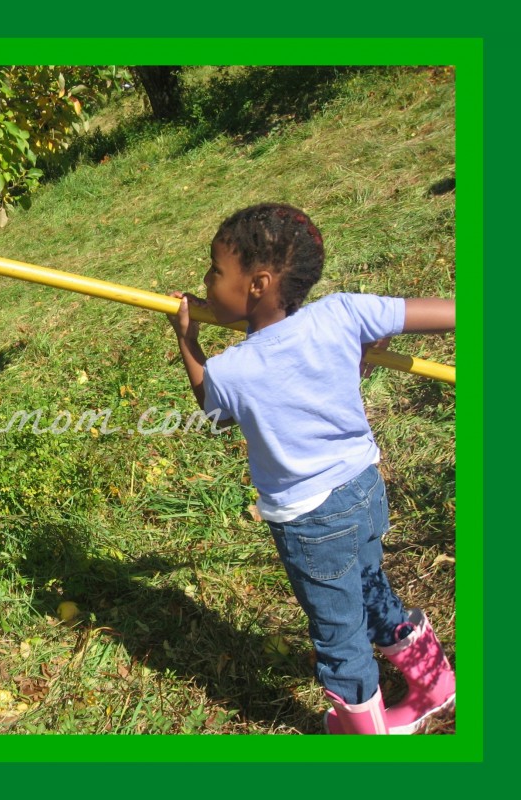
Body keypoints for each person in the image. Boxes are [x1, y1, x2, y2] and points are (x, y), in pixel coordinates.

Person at [166, 203, 456, 735]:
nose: (206, 281)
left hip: (310, 521)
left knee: (338, 633)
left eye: (214, 270)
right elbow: (445, 312)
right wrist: (380, 337)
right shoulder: (343, 313)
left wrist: (187, 340)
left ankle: (363, 743)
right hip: (365, 491)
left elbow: (213, 410)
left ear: (258, 284)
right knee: (371, 585)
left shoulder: (234, 369)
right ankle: (435, 683)